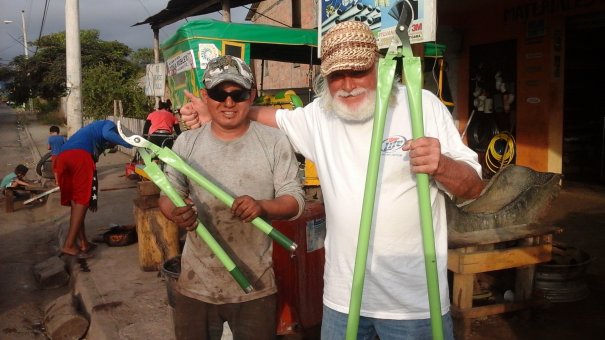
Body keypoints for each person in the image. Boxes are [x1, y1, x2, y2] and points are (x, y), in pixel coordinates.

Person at [180, 22, 485, 339]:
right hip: (343, 300)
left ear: (378, 67)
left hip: (413, 305)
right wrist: (215, 111)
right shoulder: (320, 116)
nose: (348, 84)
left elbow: (474, 188)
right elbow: (262, 115)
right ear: (325, 78)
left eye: (358, 71)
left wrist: (442, 165)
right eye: (337, 75)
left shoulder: (420, 106)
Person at [158, 55, 304, 340]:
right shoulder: (186, 142)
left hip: (257, 283)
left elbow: (295, 199)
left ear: (251, 95)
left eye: (237, 94)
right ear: (205, 96)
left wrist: (263, 206)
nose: (228, 103)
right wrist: (175, 211)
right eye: (218, 94)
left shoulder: (274, 141)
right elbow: (168, 195)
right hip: (196, 283)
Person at [54, 120, 132, 258]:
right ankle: (69, 244)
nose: (112, 145)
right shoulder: (109, 124)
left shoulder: (90, 132)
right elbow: (108, 134)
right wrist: (128, 143)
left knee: (76, 203)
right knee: (83, 201)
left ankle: (83, 242)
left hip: (62, 157)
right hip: (79, 157)